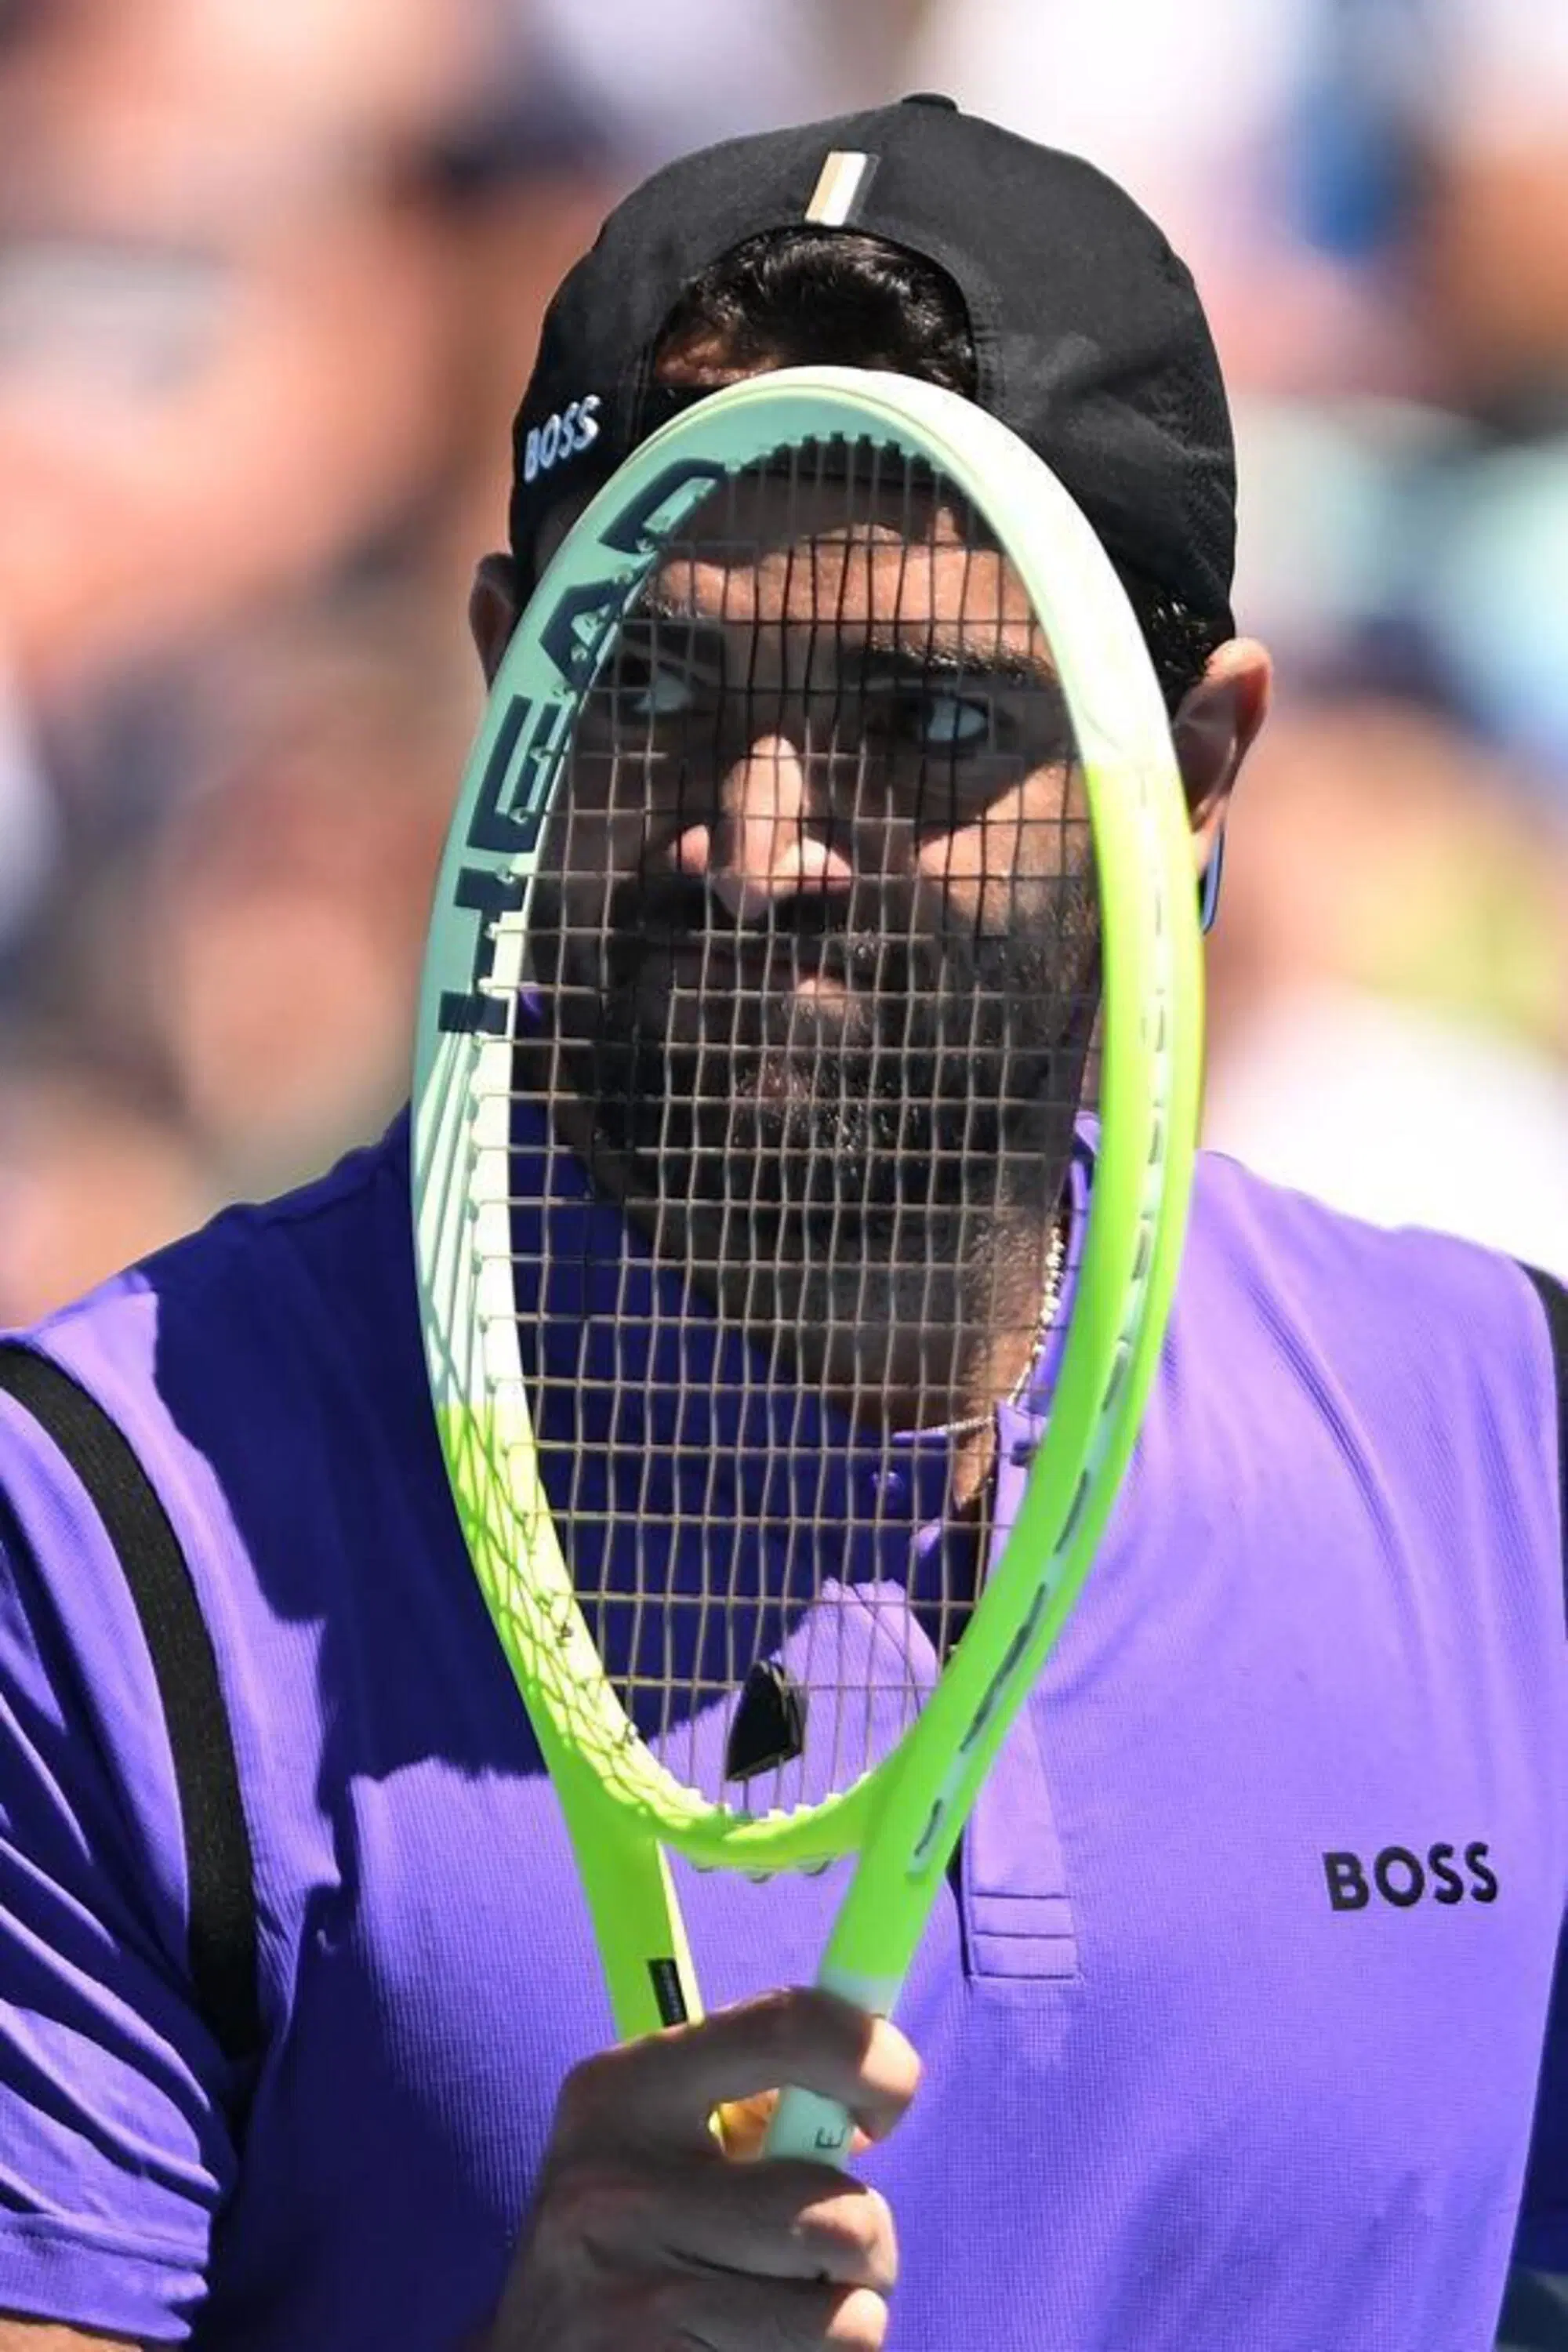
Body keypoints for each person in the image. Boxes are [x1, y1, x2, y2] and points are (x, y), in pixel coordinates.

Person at [0, 98, 1563, 2352]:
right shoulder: (89, 1544)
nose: (762, 838)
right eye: (643, 686)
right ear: (496, 672)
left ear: (1200, 767)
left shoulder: (1517, 1450)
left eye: (923, 719)